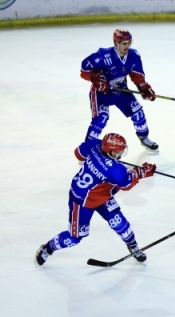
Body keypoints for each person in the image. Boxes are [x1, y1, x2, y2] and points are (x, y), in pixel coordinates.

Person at [35, 133, 157, 265]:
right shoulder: (115, 170)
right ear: (110, 150)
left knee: (119, 222)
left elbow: (78, 154)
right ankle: (47, 248)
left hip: (100, 195)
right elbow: (126, 183)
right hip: (81, 201)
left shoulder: (96, 144)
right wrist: (142, 171)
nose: (121, 153)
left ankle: (133, 246)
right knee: (74, 238)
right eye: (118, 151)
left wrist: (96, 160)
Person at [80, 29, 159, 151]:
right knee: (101, 120)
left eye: (129, 43)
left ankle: (144, 138)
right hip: (102, 92)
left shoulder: (134, 56)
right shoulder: (103, 55)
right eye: (124, 43)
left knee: (138, 114)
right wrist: (95, 77)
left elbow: (137, 75)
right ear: (116, 43)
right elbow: (84, 69)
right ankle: (87, 149)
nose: (127, 46)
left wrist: (144, 87)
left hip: (120, 89)